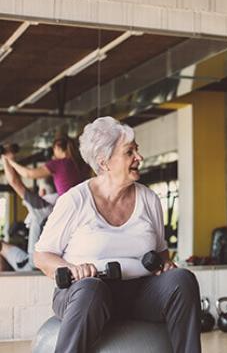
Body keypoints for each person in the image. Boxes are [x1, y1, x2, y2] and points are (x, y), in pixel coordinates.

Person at [33, 117, 201, 353]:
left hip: (137, 292)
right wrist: (72, 269)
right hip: (82, 294)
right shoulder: (75, 200)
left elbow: (161, 252)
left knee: (182, 280)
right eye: (129, 152)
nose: (139, 158)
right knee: (92, 289)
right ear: (104, 162)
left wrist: (165, 265)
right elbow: (41, 257)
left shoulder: (149, 199)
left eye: (137, 150)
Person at [0, 151, 56, 271]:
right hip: (52, 262)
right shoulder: (64, 202)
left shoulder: (42, 207)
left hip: (32, 266)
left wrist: (6, 159)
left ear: (43, 192)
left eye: (40, 190)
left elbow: (15, 182)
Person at [5, 135, 90, 196]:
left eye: (54, 149)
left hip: (68, 203)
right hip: (86, 200)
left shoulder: (58, 164)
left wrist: (12, 162)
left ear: (57, 148)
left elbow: (28, 174)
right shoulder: (82, 162)